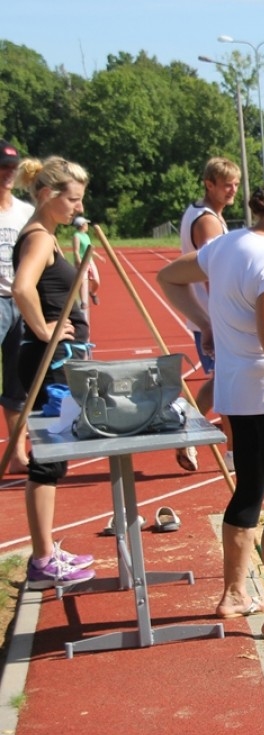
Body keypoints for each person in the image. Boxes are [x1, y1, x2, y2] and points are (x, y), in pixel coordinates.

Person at [157, 175, 264, 647]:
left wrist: (206, 323)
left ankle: (235, 593)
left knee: (248, 490)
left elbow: (169, 276)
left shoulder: (225, 244)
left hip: (236, 394)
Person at [11, 156, 96, 589]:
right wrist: (45, 329)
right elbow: (23, 287)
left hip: (56, 363)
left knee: (52, 458)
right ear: (47, 195)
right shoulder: (40, 237)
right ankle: (42, 559)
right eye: (73, 200)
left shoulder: (48, 235)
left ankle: (46, 552)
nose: (78, 208)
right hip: (49, 366)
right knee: (48, 460)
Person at [175, 157, 241, 473]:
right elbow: (214, 273)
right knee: (229, 386)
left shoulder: (201, 214)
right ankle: (233, 452)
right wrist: (218, 320)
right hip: (213, 317)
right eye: (226, 184)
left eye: (236, 184)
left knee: (220, 382)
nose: (232, 190)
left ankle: (185, 426)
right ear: (209, 184)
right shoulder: (208, 222)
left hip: (209, 315)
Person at [0, 140, 34, 475]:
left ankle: (17, 454)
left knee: (17, 384)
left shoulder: (25, 212)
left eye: (12, 166)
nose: (8, 172)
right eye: (3, 166)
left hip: (18, 301)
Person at [70, 216, 100, 312]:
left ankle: (93, 293)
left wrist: (98, 256)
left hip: (89, 260)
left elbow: (89, 249)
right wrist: (79, 262)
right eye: (86, 224)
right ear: (82, 225)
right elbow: (76, 251)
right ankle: (83, 302)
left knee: (96, 280)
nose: (87, 226)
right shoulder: (76, 236)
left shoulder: (86, 236)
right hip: (82, 261)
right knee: (83, 281)